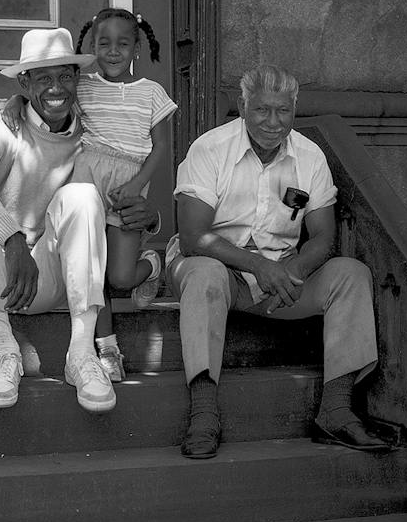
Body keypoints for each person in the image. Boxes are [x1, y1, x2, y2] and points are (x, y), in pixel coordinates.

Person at [166, 63, 387, 459]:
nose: (272, 121)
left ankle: (336, 409)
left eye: (282, 111)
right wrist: (258, 267)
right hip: (217, 267)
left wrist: (293, 271)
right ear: (243, 105)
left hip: (280, 275)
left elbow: (323, 236)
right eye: (262, 110)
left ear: (294, 109)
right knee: (204, 274)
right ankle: (203, 413)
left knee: (351, 274)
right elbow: (194, 236)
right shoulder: (210, 148)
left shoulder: (310, 157)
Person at [0, 27, 155, 414]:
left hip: (47, 281)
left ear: (77, 80)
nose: (56, 88)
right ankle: (4, 351)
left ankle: (81, 354)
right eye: (42, 78)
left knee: (83, 194)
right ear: (24, 83)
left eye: (64, 76)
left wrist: (150, 220)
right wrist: (12, 239)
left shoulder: (92, 134)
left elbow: (124, 172)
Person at [71, 7, 177, 381]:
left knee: (119, 277)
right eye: (104, 43)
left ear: (136, 49)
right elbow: (49, 105)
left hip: (129, 183)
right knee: (91, 268)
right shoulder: (82, 85)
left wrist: (137, 185)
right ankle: (107, 347)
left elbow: (161, 148)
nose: (113, 51)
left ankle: (152, 265)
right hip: (87, 176)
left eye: (123, 43)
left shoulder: (151, 93)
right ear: (93, 46)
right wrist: (16, 104)